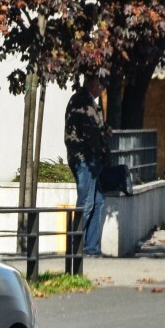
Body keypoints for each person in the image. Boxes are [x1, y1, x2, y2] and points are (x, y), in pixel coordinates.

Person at [64, 75, 109, 256]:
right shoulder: (84, 101)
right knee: (87, 203)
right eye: (100, 85)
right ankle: (76, 249)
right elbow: (91, 133)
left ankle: (91, 248)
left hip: (86, 158)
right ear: (91, 83)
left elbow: (91, 129)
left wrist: (104, 131)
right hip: (85, 159)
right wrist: (102, 148)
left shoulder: (83, 100)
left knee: (98, 202)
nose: (101, 89)